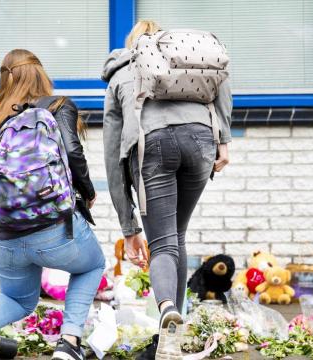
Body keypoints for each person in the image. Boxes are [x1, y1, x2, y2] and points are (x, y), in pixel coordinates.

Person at [0, 49, 104, 360]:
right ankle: (69, 343)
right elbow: (72, 152)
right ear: (41, 75)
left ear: (4, 80)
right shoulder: (58, 106)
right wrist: (87, 191)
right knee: (92, 265)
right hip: (53, 229)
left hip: (4, 235)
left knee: (17, 298)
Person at [102, 20, 232, 355]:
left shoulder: (121, 72)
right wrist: (225, 142)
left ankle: (166, 311)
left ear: (133, 45)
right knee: (177, 233)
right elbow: (222, 84)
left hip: (154, 146)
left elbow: (112, 151)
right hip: (202, 140)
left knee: (162, 243)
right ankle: (175, 326)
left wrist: (128, 224)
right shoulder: (187, 60)